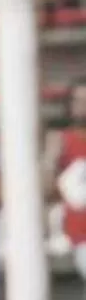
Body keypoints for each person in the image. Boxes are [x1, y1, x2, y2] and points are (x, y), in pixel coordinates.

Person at [44, 79, 86, 283]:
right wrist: (51, 159)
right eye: (78, 100)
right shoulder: (62, 138)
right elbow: (47, 189)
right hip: (79, 229)